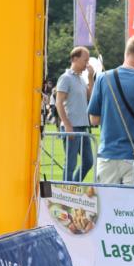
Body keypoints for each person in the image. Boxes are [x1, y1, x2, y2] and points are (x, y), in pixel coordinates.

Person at [88, 36, 134, 185]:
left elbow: (94, 119)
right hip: (133, 157)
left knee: (105, 205)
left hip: (106, 155)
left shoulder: (103, 78)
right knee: (131, 207)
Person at [55, 46, 96, 181]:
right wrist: (67, 125)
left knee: (88, 161)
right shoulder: (66, 78)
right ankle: (67, 194)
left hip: (82, 127)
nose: (87, 63)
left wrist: (90, 78)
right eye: (85, 60)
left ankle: (73, 187)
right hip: (71, 128)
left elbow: (90, 96)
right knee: (71, 164)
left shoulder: (81, 79)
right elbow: (58, 103)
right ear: (75, 59)